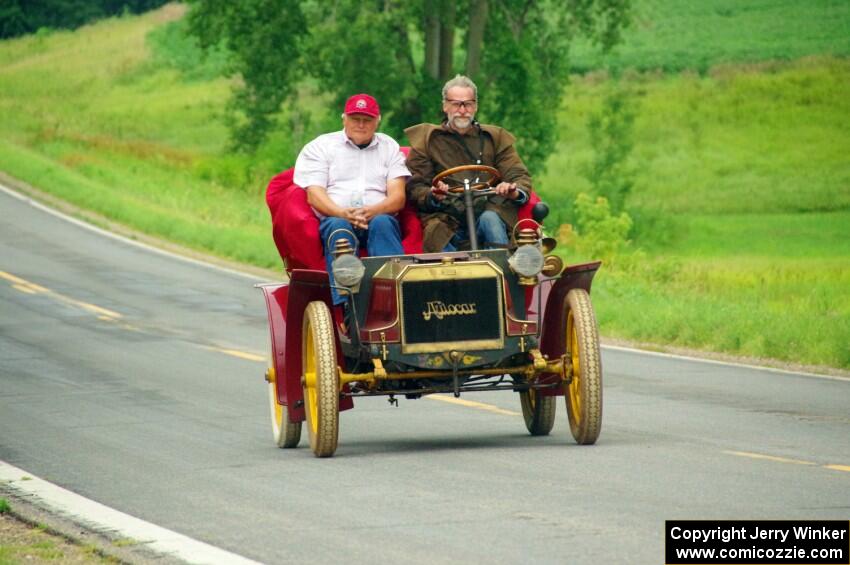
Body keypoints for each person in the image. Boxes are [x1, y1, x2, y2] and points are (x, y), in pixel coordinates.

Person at [294, 93, 410, 304]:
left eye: (367, 120)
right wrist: (343, 213)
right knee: (339, 229)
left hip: (377, 217)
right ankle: (348, 306)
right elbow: (315, 195)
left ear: (378, 121)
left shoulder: (389, 147)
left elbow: (398, 197)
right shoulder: (322, 146)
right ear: (344, 119)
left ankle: (394, 298)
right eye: (355, 119)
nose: (361, 125)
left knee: (384, 223)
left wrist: (372, 211)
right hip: (336, 217)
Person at [405, 74, 533, 253]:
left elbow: (518, 175)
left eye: (468, 104)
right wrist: (433, 195)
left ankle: (503, 274)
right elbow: (415, 187)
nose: (462, 110)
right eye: (456, 104)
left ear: (476, 107)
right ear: (445, 106)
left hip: (488, 210)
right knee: (437, 236)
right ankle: (447, 279)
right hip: (445, 217)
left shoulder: (494, 138)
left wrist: (512, 190)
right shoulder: (427, 140)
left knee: (491, 220)